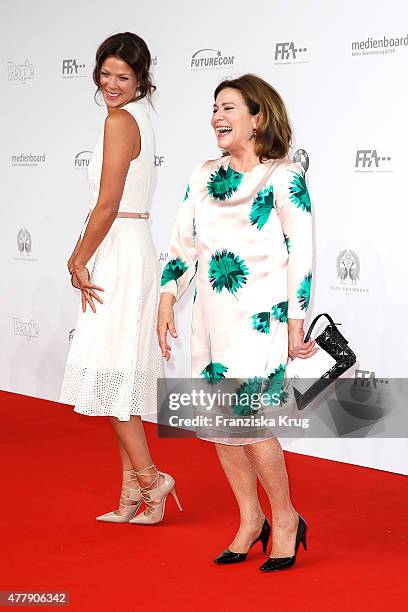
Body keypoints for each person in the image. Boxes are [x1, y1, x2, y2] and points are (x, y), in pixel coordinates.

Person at [158, 74, 315, 570]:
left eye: (229, 108)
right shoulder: (203, 174)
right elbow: (183, 245)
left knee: (251, 422)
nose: (217, 117)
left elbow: (301, 252)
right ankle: (251, 519)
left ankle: (285, 517)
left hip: (260, 321)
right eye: (214, 108)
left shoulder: (283, 177)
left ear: (257, 117)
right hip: (211, 319)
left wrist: (297, 318)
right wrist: (166, 297)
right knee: (218, 426)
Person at [60, 32, 182, 525]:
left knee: (111, 377)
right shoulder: (141, 120)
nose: (110, 84)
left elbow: (108, 203)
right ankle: (133, 492)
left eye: (123, 77)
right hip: (132, 246)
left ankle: (153, 481)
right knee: (118, 378)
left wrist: (78, 257)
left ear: (141, 79)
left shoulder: (119, 121)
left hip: (119, 253)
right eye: (105, 74)